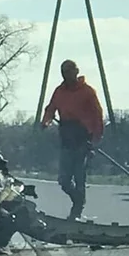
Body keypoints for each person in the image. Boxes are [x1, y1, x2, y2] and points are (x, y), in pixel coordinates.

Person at [40, 59, 104, 220]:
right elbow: (51, 108)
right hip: (66, 138)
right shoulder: (59, 91)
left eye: (69, 71)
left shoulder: (88, 92)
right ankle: (77, 200)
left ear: (76, 72)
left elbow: (97, 115)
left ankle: (77, 209)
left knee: (79, 175)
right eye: (63, 71)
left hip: (83, 138)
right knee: (64, 179)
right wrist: (46, 121)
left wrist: (96, 138)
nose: (66, 74)